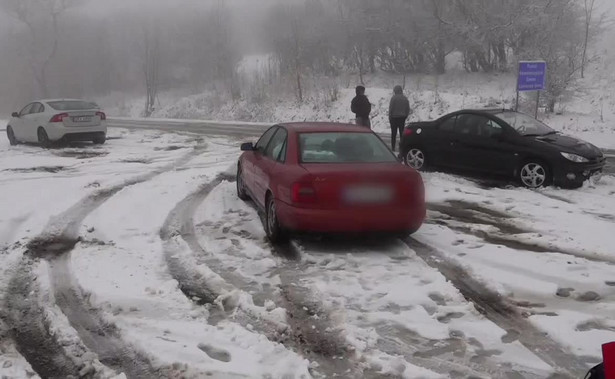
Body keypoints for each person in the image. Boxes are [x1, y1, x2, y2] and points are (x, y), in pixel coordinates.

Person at [388, 85, 411, 151]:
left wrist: (390, 117)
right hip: (402, 118)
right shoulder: (405, 98)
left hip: (394, 118)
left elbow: (391, 108)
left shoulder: (393, 98)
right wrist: (406, 115)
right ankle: (402, 147)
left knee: (393, 133)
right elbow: (408, 108)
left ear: (395, 91)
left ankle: (393, 147)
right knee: (402, 134)